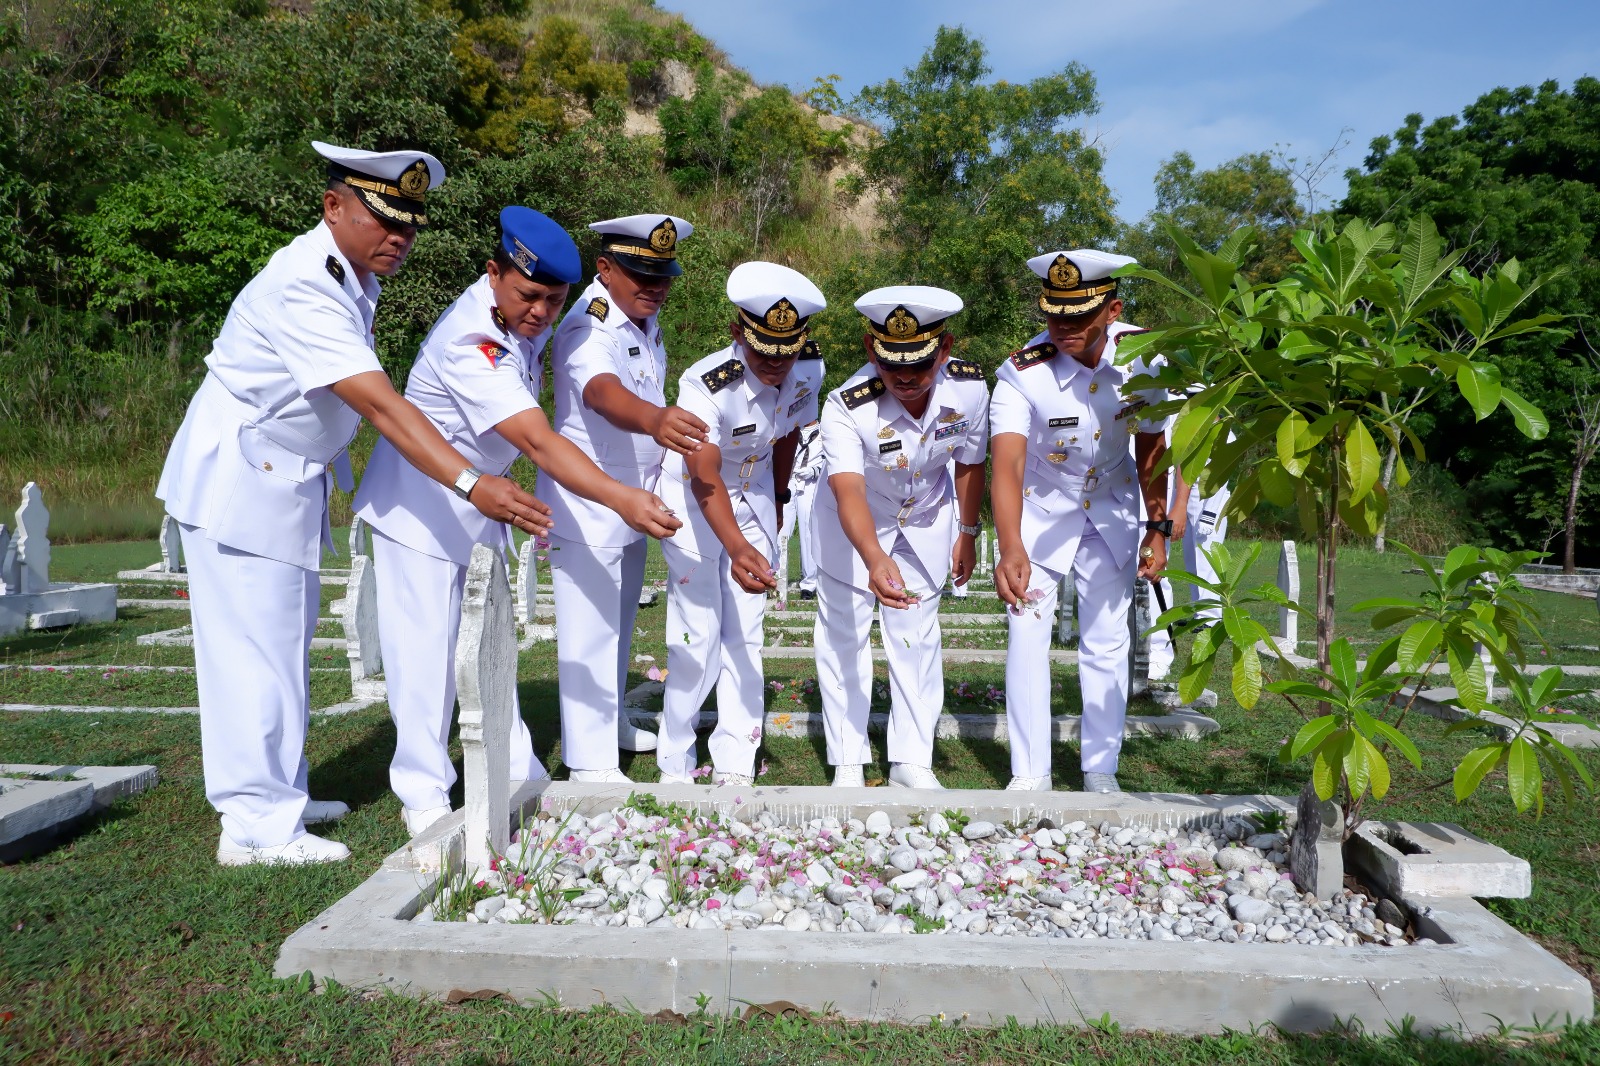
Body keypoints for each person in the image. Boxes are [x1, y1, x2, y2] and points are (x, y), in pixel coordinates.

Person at [158, 141, 550, 865]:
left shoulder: (349, 279)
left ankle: (279, 793)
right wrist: (470, 481)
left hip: (282, 480)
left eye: (409, 225)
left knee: (281, 648)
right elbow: (381, 406)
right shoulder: (306, 284)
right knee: (252, 654)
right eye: (384, 219)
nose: (399, 238)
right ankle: (255, 826)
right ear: (333, 206)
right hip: (240, 481)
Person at [352, 207, 681, 835]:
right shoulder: (470, 339)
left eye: (554, 299)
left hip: (478, 507)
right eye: (529, 295)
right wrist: (622, 498)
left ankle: (519, 771)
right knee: (424, 658)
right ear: (493, 273)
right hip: (419, 509)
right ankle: (423, 793)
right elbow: (537, 442)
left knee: (488, 649)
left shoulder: (517, 326)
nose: (540, 312)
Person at [536, 214, 708, 782]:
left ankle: (607, 727)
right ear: (605, 269)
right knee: (589, 631)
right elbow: (602, 393)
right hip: (588, 502)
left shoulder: (640, 319)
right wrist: (656, 419)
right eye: (640, 273)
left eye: (663, 275)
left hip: (631, 499)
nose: (654, 286)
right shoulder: (590, 323)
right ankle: (587, 764)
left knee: (617, 625)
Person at [991, 249, 1170, 794]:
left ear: (1112, 310)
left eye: (1078, 316)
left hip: (1114, 508)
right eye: (1053, 315)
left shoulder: (1145, 358)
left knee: (1108, 641)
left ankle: (1101, 770)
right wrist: (1009, 546)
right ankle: (1029, 773)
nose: (1063, 328)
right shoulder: (1022, 373)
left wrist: (1157, 527)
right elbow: (1007, 464)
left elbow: (1152, 443)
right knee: (1026, 633)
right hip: (1044, 512)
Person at [656, 262, 827, 786]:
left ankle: (735, 758)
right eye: (762, 352)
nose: (775, 364)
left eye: (787, 351)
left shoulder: (808, 369)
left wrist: (777, 501)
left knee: (746, 632)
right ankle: (676, 755)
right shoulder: (707, 385)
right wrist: (736, 546)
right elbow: (703, 471)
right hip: (692, 498)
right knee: (697, 631)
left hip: (753, 496)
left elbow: (786, 436)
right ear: (737, 334)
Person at [813, 287, 989, 789]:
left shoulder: (971, 390)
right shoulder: (847, 406)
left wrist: (970, 532)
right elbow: (847, 489)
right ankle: (848, 759)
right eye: (893, 368)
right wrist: (872, 556)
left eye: (921, 365)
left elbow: (971, 463)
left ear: (946, 348)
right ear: (872, 351)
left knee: (916, 638)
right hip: (853, 523)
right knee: (844, 635)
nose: (907, 379)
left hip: (927, 519)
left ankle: (912, 759)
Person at [1147, 420, 1233, 678]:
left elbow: (1193, 447)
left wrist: (1181, 506)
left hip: (1203, 478)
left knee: (1205, 546)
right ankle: (1199, 616)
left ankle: (1209, 616)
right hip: (1164, 479)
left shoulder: (1199, 400)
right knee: (1169, 557)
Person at [780, 356, 825, 601]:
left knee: (809, 532)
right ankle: (776, 576)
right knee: (781, 531)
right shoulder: (789, 430)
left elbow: (828, 462)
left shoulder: (825, 433)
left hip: (810, 486)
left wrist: (815, 471)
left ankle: (810, 582)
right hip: (789, 483)